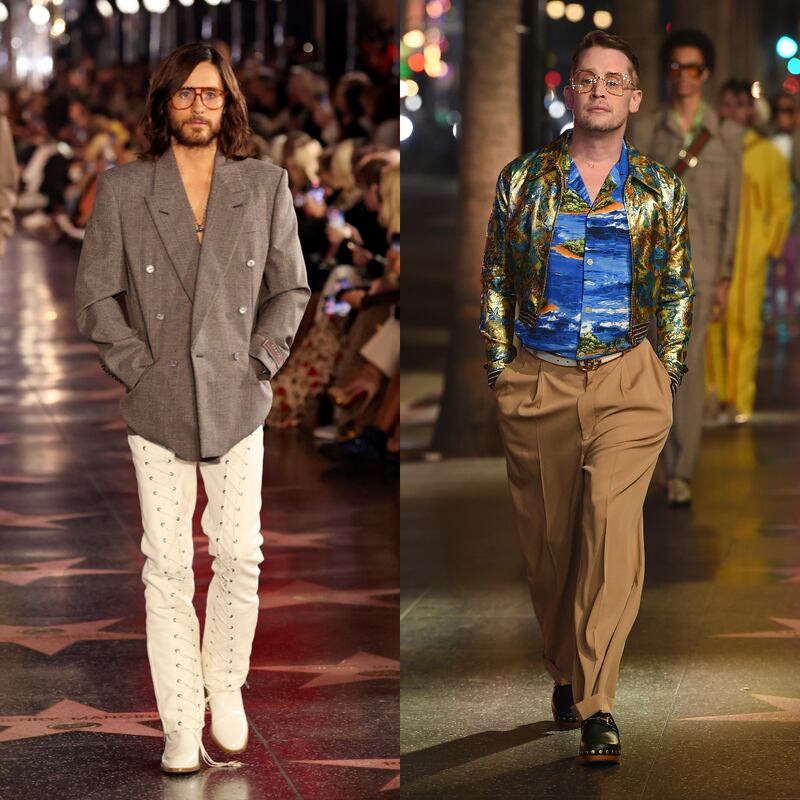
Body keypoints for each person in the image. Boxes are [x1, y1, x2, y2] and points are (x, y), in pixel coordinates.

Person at [74, 42, 310, 773]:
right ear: (164, 104)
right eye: (185, 95)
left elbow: (290, 289)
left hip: (239, 399)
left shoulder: (266, 185)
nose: (199, 106)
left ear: (229, 104)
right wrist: (138, 371)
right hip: (158, 403)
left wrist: (262, 363)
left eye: (211, 94)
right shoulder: (123, 189)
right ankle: (181, 722)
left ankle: (225, 687)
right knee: (167, 566)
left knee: (240, 555)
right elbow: (96, 297)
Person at [480, 30, 693, 764]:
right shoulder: (524, 180)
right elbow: (498, 280)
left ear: (634, 98)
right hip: (539, 377)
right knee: (551, 550)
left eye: (614, 80)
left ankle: (599, 700)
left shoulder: (660, 188)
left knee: (611, 527)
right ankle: (566, 670)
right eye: (586, 79)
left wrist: (664, 372)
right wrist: (503, 372)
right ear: (569, 92)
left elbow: (674, 287)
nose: (599, 90)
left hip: (629, 379)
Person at [627, 29, 742, 506]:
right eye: (675, 67)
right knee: (650, 365)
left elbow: (733, 211)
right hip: (651, 267)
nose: (683, 77)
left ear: (706, 74)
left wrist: (725, 278)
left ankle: (682, 471)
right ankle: (650, 463)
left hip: (704, 266)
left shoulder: (727, 135)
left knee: (687, 371)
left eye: (692, 68)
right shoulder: (648, 130)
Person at [708, 79, 791, 423]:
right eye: (726, 105)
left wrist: (768, 248)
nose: (732, 112)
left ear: (750, 110)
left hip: (749, 256)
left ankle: (738, 399)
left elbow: (781, 206)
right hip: (713, 252)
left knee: (745, 327)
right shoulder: (710, 150)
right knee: (711, 324)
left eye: (738, 105)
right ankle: (712, 396)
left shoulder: (767, 154)